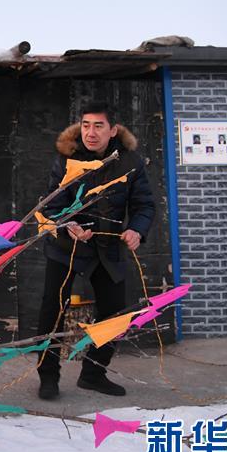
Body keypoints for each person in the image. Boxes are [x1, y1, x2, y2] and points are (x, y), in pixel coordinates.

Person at [36, 101, 155, 401]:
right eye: (86, 125)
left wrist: (136, 230)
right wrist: (69, 225)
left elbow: (144, 205)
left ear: (113, 130)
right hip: (67, 247)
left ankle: (93, 373)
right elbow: (52, 205)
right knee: (52, 310)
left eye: (98, 126)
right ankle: (47, 377)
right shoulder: (66, 159)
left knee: (116, 314)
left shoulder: (131, 162)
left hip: (107, 246)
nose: (91, 132)